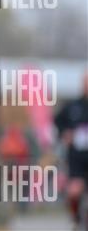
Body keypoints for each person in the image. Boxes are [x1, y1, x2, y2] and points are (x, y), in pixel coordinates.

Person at [54, 71, 88, 226]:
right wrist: (64, 134)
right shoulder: (72, 106)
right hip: (77, 157)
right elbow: (57, 122)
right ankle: (76, 219)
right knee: (74, 191)